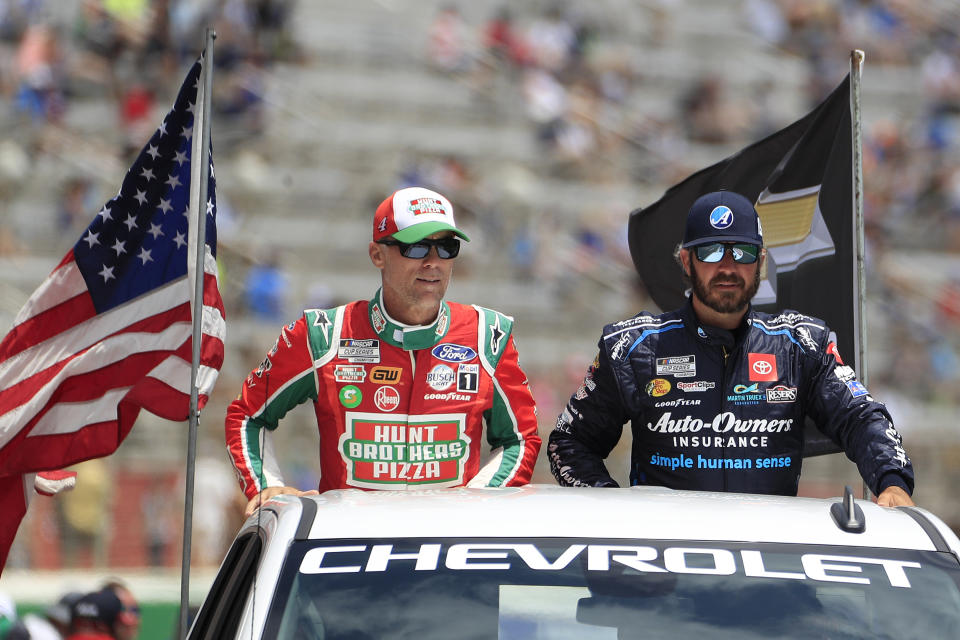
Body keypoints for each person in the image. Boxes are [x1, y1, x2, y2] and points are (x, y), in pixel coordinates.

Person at [548, 190, 915, 506]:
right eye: (710, 252)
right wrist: (609, 509)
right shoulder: (632, 347)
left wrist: (891, 480)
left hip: (767, 564)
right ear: (687, 261)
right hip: (661, 570)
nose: (727, 267)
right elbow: (569, 443)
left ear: (762, 263)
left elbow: (861, 417)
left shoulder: (801, 344)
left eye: (742, 252)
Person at [226, 186, 541, 516]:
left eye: (447, 247)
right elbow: (248, 416)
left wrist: (478, 500)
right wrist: (265, 484)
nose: (433, 262)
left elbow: (519, 439)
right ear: (377, 254)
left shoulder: (488, 334)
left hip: (448, 543)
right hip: (349, 548)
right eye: (417, 247)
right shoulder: (323, 334)